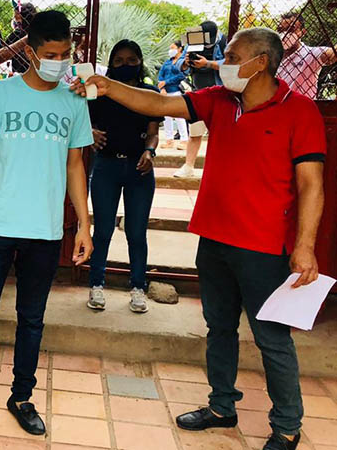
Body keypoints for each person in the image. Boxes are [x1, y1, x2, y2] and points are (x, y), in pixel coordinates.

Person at [71, 27, 325, 450]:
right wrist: (108, 85)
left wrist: (305, 247)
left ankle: (286, 426)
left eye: (232, 57)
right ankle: (222, 406)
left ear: (260, 62)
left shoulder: (299, 111)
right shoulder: (219, 100)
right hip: (214, 239)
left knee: (272, 339)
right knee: (219, 328)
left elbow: (311, 184)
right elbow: (157, 103)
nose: (223, 64)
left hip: (263, 247)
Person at [0, 10, 94, 438]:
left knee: (32, 319)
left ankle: (22, 396)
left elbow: (75, 165)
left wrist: (84, 224)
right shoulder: (0, 94)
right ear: (30, 51)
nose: (58, 62)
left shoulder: (74, 100)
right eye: (50, 54)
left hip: (45, 231)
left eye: (65, 54)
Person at [86, 39, 162, 314]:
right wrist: (90, 132)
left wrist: (150, 151)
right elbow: (83, 121)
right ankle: (96, 284)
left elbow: (153, 132)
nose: (125, 65)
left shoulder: (149, 93)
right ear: (110, 64)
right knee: (103, 230)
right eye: (118, 61)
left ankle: (138, 287)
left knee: (137, 232)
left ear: (140, 62)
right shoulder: (99, 94)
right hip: (106, 167)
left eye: (131, 60)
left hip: (139, 170)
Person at [175, 20, 226, 178]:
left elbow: (231, 64)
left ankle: (219, 169)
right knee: (195, 132)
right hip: (198, 93)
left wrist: (208, 63)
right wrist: (186, 63)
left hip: (221, 95)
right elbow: (178, 64)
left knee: (220, 135)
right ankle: (188, 166)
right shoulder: (193, 40)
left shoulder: (225, 42)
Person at [276, 11, 337, 100]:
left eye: (291, 29)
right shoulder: (271, 57)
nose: (285, 33)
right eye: (281, 30)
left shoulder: (310, 54)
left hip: (303, 107)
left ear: (302, 32)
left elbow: (332, 55)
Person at [158, 41, 190, 149]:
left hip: (177, 90)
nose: (170, 50)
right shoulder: (167, 62)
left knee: (179, 116)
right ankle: (169, 140)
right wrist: (162, 87)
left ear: (180, 49)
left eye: (173, 48)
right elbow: (160, 75)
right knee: (167, 117)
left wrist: (166, 82)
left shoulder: (183, 62)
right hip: (166, 92)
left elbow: (182, 75)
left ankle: (184, 140)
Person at [5, 2, 37, 75]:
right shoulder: (17, 33)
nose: (14, 16)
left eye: (16, 13)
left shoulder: (17, 34)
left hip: (20, 71)